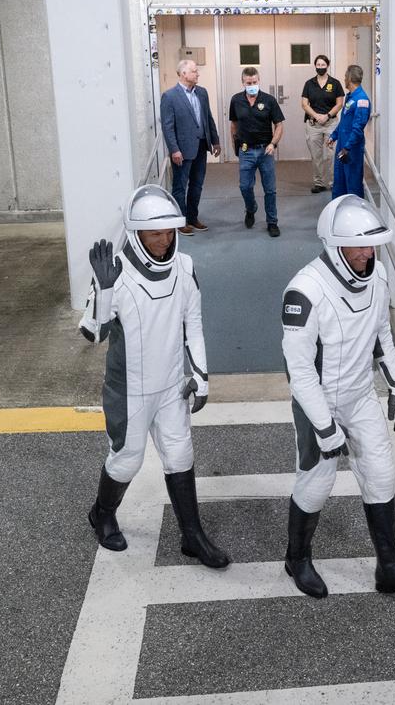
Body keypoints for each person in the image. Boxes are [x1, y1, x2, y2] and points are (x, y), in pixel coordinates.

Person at [280, 194, 395, 601]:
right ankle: (296, 558)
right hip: (318, 403)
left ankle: (389, 567)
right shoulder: (304, 291)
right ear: (334, 245)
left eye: (372, 245)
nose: (368, 253)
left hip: (360, 393)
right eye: (359, 246)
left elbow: (381, 332)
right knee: (316, 482)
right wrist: (325, 428)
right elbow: (298, 373)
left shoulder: (378, 277)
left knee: (382, 475)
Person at [78, 185, 229, 568]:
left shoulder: (185, 267)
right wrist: (105, 290)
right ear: (137, 233)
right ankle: (102, 513)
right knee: (127, 459)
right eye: (154, 233)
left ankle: (192, 536)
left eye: (169, 232)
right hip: (129, 390)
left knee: (181, 456)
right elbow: (94, 334)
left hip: (171, 387)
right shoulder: (116, 273)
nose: (164, 241)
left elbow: (192, 322)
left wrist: (200, 374)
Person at [160, 59, 221, 236]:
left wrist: (215, 140)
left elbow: (208, 118)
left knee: (197, 185)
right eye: (194, 71)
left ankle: (193, 217)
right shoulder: (170, 96)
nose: (197, 74)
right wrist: (174, 149)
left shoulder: (202, 93)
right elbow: (168, 126)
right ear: (184, 73)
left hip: (202, 146)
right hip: (182, 150)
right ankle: (180, 221)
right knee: (180, 186)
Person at [228, 66, 285, 238]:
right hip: (246, 150)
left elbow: (279, 125)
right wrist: (235, 147)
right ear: (243, 82)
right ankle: (251, 208)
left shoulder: (269, 100)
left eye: (254, 82)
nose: (252, 85)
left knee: (270, 189)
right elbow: (234, 125)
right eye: (248, 83)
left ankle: (272, 222)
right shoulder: (236, 100)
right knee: (245, 186)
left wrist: (273, 144)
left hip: (265, 151)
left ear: (258, 81)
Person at [300, 55, 344, 194]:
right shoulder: (309, 83)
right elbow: (304, 104)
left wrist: (327, 116)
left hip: (331, 124)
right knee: (316, 155)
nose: (320, 67)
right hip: (313, 125)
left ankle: (333, 183)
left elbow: (339, 103)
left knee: (332, 155)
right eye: (318, 65)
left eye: (322, 65)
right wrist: (317, 116)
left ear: (327, 65)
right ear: (315, 66)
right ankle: (318, 183)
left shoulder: (335, 83)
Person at [327, 64, 370, 198]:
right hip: (342, 147)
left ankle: (356, 215)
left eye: (346, 77)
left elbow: (358, 128)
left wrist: (347, 147)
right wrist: (334, 135)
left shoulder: (361, 99)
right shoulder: (350, 97)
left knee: (353, 185)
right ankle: (340, 213)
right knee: (339, 183)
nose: (344, 79)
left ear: (350, 78)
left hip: (351, 150)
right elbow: (344, 121)